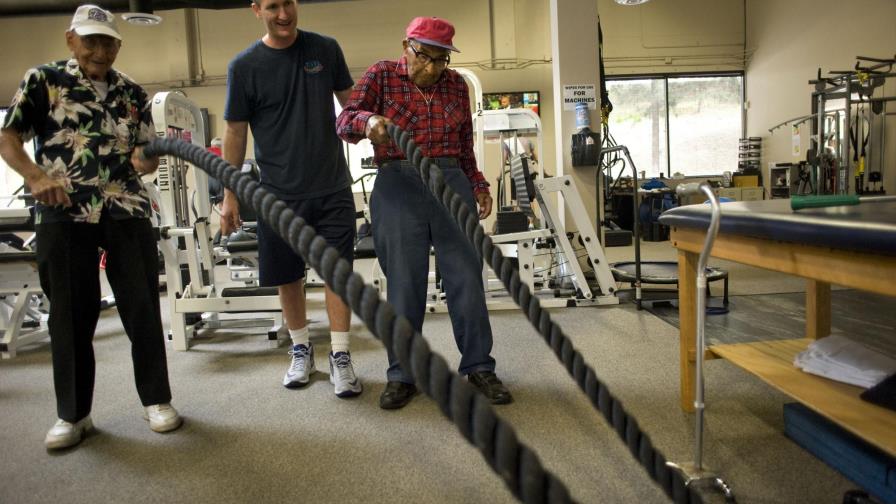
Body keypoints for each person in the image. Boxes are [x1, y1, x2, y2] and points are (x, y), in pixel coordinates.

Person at [0, 4, 182, 450]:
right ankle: (74, 415)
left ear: (118, 45)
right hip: (64, 214)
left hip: (126, 211)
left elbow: (145, 156)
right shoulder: (43, 81)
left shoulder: (132, 92)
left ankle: (157, 400)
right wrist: (36, 176)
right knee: (70, 314)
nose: (99, 50)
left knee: (142, 308)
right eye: (90, 41)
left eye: (106, 42)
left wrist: (148, 158)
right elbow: (8, 137)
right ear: (71, 40)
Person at [337, 16, 513, 409]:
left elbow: (465, 145)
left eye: (441, 60)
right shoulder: (381, 75)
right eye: (425, 57)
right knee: (404, 284)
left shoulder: (456, 85)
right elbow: (344, 121)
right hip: (398, 182)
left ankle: (479, 366)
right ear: (407, 46)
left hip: (451, 180)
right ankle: (403, 374)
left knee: (467, 279)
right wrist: (370, 123)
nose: (432, 68)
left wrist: (479, 184)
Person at [221, 0, 362, 397]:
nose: (283, 14)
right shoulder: (244, 66)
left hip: (332, 185)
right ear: (256, 10)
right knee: (287, 276)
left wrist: (378, 132)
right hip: (277, 194)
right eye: (272, 6)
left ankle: (341, 355)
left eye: (288, 3)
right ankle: (301, 347)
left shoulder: (325, 49)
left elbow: (352, 105)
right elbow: (235, 132)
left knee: (337, 272)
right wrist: (229, 194)